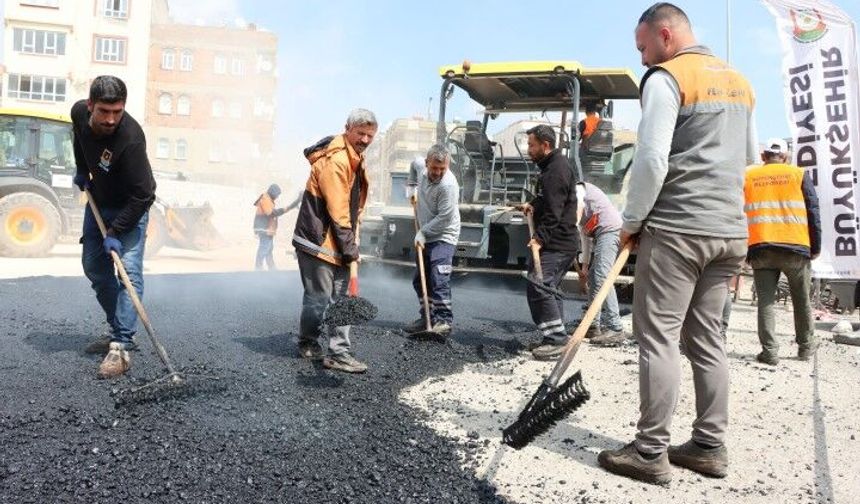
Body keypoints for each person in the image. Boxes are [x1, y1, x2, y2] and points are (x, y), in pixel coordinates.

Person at [597, 3, 756, 485]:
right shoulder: (739, 82)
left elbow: (650, 160)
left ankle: (649, 452)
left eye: (643, 47)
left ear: (665, 35)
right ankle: (709, 446)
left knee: (659, 335)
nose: (643, 58)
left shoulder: (668, 77)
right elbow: (746, 163)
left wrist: (633, 220)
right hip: (728, 231)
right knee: (708, 338)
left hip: (679, 228)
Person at [71, 75, 156, 379]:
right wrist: (82, 169)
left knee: (128, 273)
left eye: (117, 112)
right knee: (94, 266)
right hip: (99, 199)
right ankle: (116, 326)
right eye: (104, 112)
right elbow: (79, 139)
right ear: (90, 105)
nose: (110, 120)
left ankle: (121, 343)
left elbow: (145, 193)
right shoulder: (79, 113)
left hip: (130, 207)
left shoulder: (130, 140)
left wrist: (116, 231)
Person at [292, 109, 377, 374]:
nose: (365, 139)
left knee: (341, 300)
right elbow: (338, 210)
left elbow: (353, 210)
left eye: (370, 135)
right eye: (360, 133)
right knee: (318, 298)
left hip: (337, 240)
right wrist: (350, 249)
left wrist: (352, 244)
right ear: (347, 129)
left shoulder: (355, 158)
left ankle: (339, 353)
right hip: (318, 241)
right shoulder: (337, 160)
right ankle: (308, 341)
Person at [745, 138, 821, 365]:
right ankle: (806, 348)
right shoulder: (798, 174)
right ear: (786, 157)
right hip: (795, 247)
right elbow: (813, 210)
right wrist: (815, 246)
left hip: (761, 247)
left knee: (766, 303)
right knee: (801, 300)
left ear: (763, 156)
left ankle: (769, 352)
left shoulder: (749, 175)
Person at [519, 124, 580, 361]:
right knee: (549, 287)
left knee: (539, 284)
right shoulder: (551, 167)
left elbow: (555, 211)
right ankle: (554, 336)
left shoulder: (556, 170)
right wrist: (533, 203)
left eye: (532, 145)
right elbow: (547, 199)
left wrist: (539, 239)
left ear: (546, 145)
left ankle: (556, 340)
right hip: (561, 241)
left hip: (559, 242)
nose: (528, 149)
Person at [403, 145, 461, 338]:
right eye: (434, 167)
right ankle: (426, 317)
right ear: (427, 163)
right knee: (420, 279)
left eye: (442, 168)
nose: (437, 172)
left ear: (448, 165)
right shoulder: (420, 166)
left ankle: (443, 320)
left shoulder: (448, 185)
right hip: (426, 232)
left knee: (438, 277)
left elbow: (445, 217)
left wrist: (423, 232)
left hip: (444, 234)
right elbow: (413, 163)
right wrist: (411, 185)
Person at [575, 181, 631, 346]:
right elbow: (585, 239)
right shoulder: (578, 211)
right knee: (593, 276)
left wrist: (570, 224)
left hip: (610, 230)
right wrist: (584, 268)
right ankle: (593, 325)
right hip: (601, 233)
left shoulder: (577, 189)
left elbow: (578, 205)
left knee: (602, 275)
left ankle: (615, 327)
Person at [253, 184, 287, 271]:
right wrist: (282, 210)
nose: (277, 196)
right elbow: (270, 213)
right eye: (277, 194)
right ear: (273, 192)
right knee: (264, 247)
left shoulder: (268, 199)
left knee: (269, 248)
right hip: (264, 228)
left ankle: (271, 267)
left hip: (267, 229)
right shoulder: (265, 199)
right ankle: (258, 267)